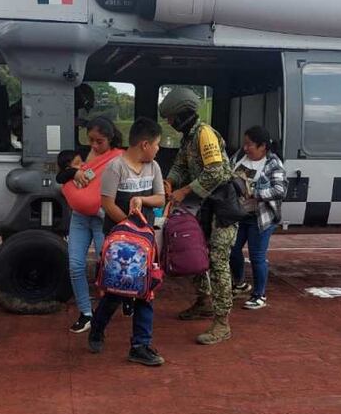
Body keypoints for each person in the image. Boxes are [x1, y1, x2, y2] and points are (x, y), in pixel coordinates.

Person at [160, 87, 238, 345]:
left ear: (182, 114)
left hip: (222, 208)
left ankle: (222, 322)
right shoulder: (189, 137)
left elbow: (216, 172)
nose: (170, 123)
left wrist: (183, 190)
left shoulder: (204, 134)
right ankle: (204, 302)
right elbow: (181, 165)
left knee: (217, 261)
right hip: (204, 207)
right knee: (194, 252)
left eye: (171, 117)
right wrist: (169, 181)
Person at [88, 117, 166, 366]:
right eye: (156, 144)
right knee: (115, 290)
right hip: (121, 241)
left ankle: (140, 345)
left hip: (144, 243)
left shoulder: (153, 167)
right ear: (144, 144)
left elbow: (161, 198)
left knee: (145, 290)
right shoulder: (116, 167)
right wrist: (130, 228)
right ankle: (97, 329)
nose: (157, 149)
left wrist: (142, 202)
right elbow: (107, 202)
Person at [65, 117, 123, 333]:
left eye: (99, 141)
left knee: (108, 264)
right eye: (91, 140)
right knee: (75, 265)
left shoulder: (118, 157)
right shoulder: (83, 156)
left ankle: (116, 303)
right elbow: (66, 175)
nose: (94, 145)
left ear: (110, 138)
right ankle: (85, 312)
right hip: (80, 217)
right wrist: (74, 172)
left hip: (102, 217)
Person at [229, 126, 288, 310]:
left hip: (260, 218)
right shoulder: (240, 156)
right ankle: (239, 284)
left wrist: (255, 192)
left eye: (250, 145)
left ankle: (259, 295)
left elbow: (280, 190)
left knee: (257, 256)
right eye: (244, 143)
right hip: (239, 214)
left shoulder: (273, 164)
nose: (245, 147)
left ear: (263, 146)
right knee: (232, 249)